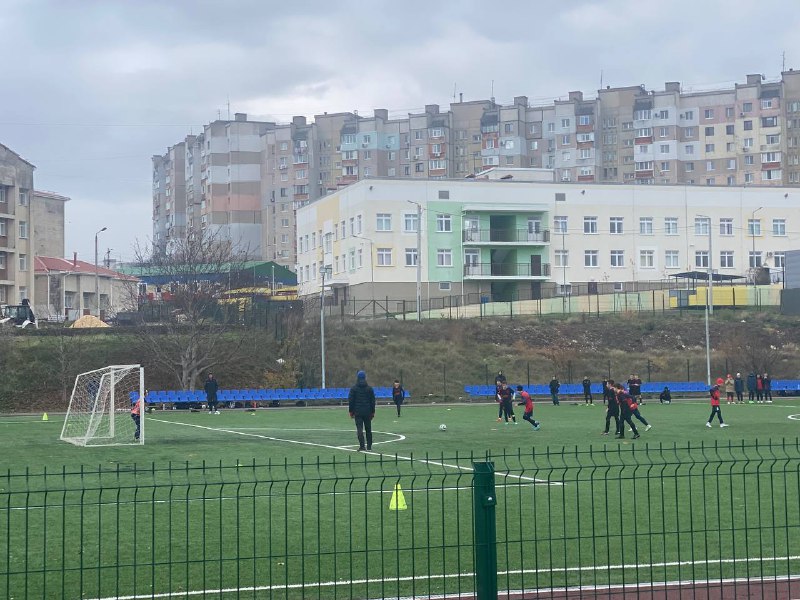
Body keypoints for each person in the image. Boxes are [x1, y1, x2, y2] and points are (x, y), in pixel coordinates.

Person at [348, 370, 376, 451]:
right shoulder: (369, 389)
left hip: (358, 412)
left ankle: (362, 446)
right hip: (368, 412)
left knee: (359, 429)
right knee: (368, 429)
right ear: (365, 378)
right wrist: (373, 411)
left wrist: (351, 411)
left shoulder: (354, 389)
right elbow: (372, 401)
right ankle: (369, 446)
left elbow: (351, 401)